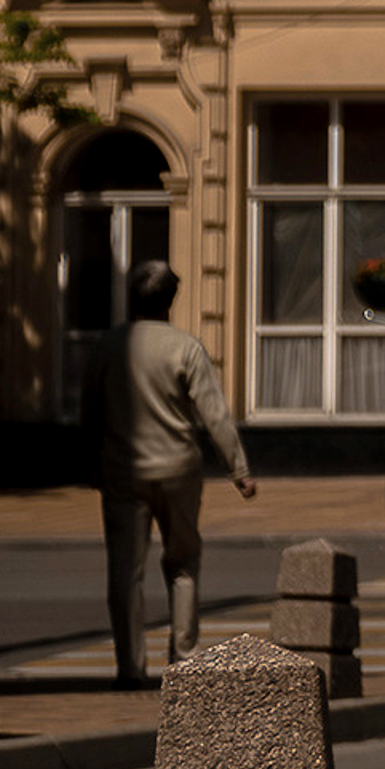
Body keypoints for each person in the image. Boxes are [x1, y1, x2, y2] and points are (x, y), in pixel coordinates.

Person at [80, 261, 257, 687]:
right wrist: (240, 471)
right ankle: (184, 658)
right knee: (183, 562)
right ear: (171, 301)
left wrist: (91, 467)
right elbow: (214, 414)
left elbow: (90, 416)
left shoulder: (107, 347)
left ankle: (129, 668)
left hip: (123, 473)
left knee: (126, 572)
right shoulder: (186, 348)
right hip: (179, 470)